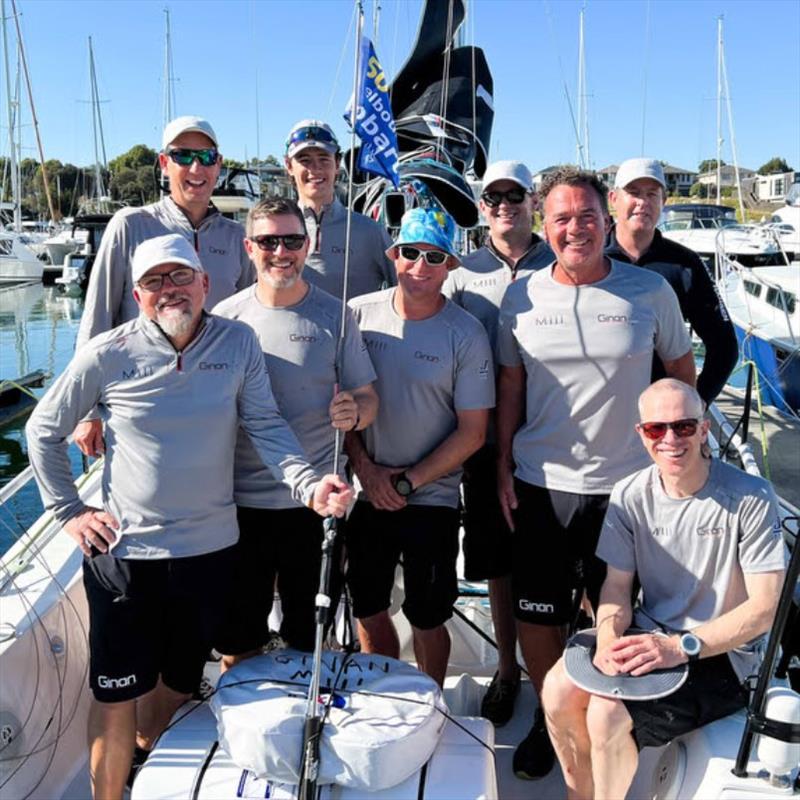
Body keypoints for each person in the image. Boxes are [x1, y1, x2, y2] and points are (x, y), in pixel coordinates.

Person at [26, 234, 351, 800]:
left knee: (178, 681)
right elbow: (43, 431)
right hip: (125, 558)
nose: (169, 290)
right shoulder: (108, 352)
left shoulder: (239, 342)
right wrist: (70, 512)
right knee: (115, 693)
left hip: (211, 553)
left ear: (206, 284)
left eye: (181, 277)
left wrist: (308, 484)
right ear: (137, 294)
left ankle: (145, 752)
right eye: (155, 281)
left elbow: (267, 426)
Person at [495, 166, 696, 780]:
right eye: (561, 218)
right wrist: (502, 465)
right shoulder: (520, 296)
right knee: (538, 614)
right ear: (543, 225)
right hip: (542, 480)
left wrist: (682, 459)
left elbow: (681, 376)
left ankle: (604, 713)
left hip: (630, 489)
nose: (575, 228)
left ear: (606, 221)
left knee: (613, 610)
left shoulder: (649, 293)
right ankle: (547, 718)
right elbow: (511, 385)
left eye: (587, 216)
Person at [542, 378, 786, 800]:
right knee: (556, 689)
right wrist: (607, 636)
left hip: (726, 655)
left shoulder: (751, 497)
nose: (670, 439)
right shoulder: (630, 495)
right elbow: (616, 587)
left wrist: (678, 647)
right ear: (642, 435)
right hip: (652, 635)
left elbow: (765, 609)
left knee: (605, 715)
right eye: (657, 429)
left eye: (684, 427)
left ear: (704, 428)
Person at [212, 197, 378, 664]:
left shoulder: (336, 315)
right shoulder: (225, 319)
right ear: (249, 247)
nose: (280, 252)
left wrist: (356, 411)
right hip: (239, 502)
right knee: (238, 637)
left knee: (309, 636)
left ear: (307, 247)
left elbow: (369, 399)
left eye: (292, 241)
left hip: (316, 504)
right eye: (268, 241)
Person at [345, 208, 494, 687]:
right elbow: (339, 405)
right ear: (393, 255)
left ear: (450, 265)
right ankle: (383, 693)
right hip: (365, 492)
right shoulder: (357, 314)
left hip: (431, 498)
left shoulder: (466, 333)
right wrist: (367, 471)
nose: (420, 266)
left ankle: (430, 701)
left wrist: (408, 481)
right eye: (410, 253)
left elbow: (472, 432)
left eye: (434, 256)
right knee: (366, 604)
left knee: (429, 615)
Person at [443, 160, 553, 726]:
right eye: (494, 196)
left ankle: (566, 676)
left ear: (532, 200)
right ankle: (509, 670)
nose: (505, 203)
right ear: (481, 206)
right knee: (497, 564)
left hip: (554, 440)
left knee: (568, 565)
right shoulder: (461, 274)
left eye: (515, 194)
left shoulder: (559, 262)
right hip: (483, 443)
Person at [74, 115, 254, 458]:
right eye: (183, 156)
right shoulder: (130, 224)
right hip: (139, 411)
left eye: (206, 158)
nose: (196, 168)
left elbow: (249, 325)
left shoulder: (237, 238)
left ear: (219, 166)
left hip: (217, 414)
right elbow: (97, 319)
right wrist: (86, 411)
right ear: (164, 163)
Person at [606, 157, 738, 405]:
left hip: (660, 420)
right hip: (601, 414)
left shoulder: (685, 264)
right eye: (633, 192)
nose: (642, 202)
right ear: (613, 199)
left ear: (663, 202)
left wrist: (697, 404)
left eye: (652, 194)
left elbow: (724, 347)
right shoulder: (592, 258)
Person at [284, 119, 395, 299]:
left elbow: (404, 292)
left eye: (323, 159)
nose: (315, 169)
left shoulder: (370, 232)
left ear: (337, 164)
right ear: (289, 166)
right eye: (305, 160)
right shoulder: (275, 233)